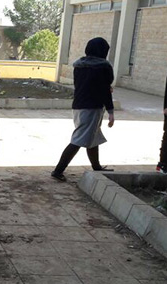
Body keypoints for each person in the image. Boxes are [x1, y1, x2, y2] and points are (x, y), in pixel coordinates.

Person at [51, 37, 115, 181]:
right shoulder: (104, 67)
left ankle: (96, 167)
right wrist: (111, 112)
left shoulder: (79, 66)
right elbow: (105, 90)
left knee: (93, 137)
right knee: (79, 139)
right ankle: (58, 170)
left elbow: (83, 85)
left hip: (79, 105)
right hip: (93, 106)